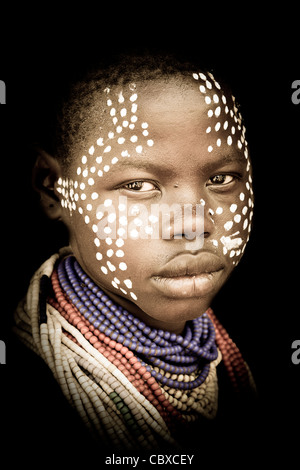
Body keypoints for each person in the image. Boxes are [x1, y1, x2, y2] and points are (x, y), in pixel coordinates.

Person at [13, 52, 256, 455]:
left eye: (221, 178)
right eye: (139, 185)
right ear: (54, 189)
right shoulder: (33, 381)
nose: (195, 223)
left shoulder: (236, 354)